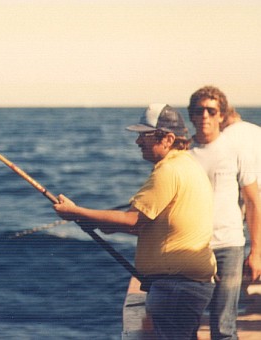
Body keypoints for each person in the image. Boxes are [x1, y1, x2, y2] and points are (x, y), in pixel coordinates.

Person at [53, 103, 216, 339]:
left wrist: (76, 212)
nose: (138, 142)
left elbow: (132, 220)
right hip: (186, 285)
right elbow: (151, 226)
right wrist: (104, 223)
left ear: (168, 139)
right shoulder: (188, 165)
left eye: (145, 135)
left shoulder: (168, 171)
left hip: (176, 287)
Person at [187, 86, 261, 340]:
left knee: (223, 327)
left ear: (221, 115)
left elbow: (253, 201)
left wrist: (256, 252)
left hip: (229, 247)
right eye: (199, 111)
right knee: (186, 325)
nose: (205, 116)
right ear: (192, 116)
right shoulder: (183, 154)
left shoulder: (237, 150)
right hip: (191, 249)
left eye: (211, 110)